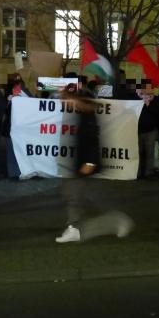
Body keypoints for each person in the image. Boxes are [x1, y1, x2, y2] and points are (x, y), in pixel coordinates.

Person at [56, 91, 100, 243]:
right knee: (72, 195)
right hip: (80, 164)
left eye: (69, 100)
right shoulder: (83, 114)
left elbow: (93, 140)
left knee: (73, 196)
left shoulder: (88, 117)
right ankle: (77, 224)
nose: (67, 104)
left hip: (85, 164)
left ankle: (73, 228)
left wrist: (90, 162)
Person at [136, 82, 159, 179]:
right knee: (138, 153)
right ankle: (137, 172)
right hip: (138, 130)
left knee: (150, 152)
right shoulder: (136, 99)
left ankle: (148, 172)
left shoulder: (155, 100)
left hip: (150, 130)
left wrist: (149, 104)